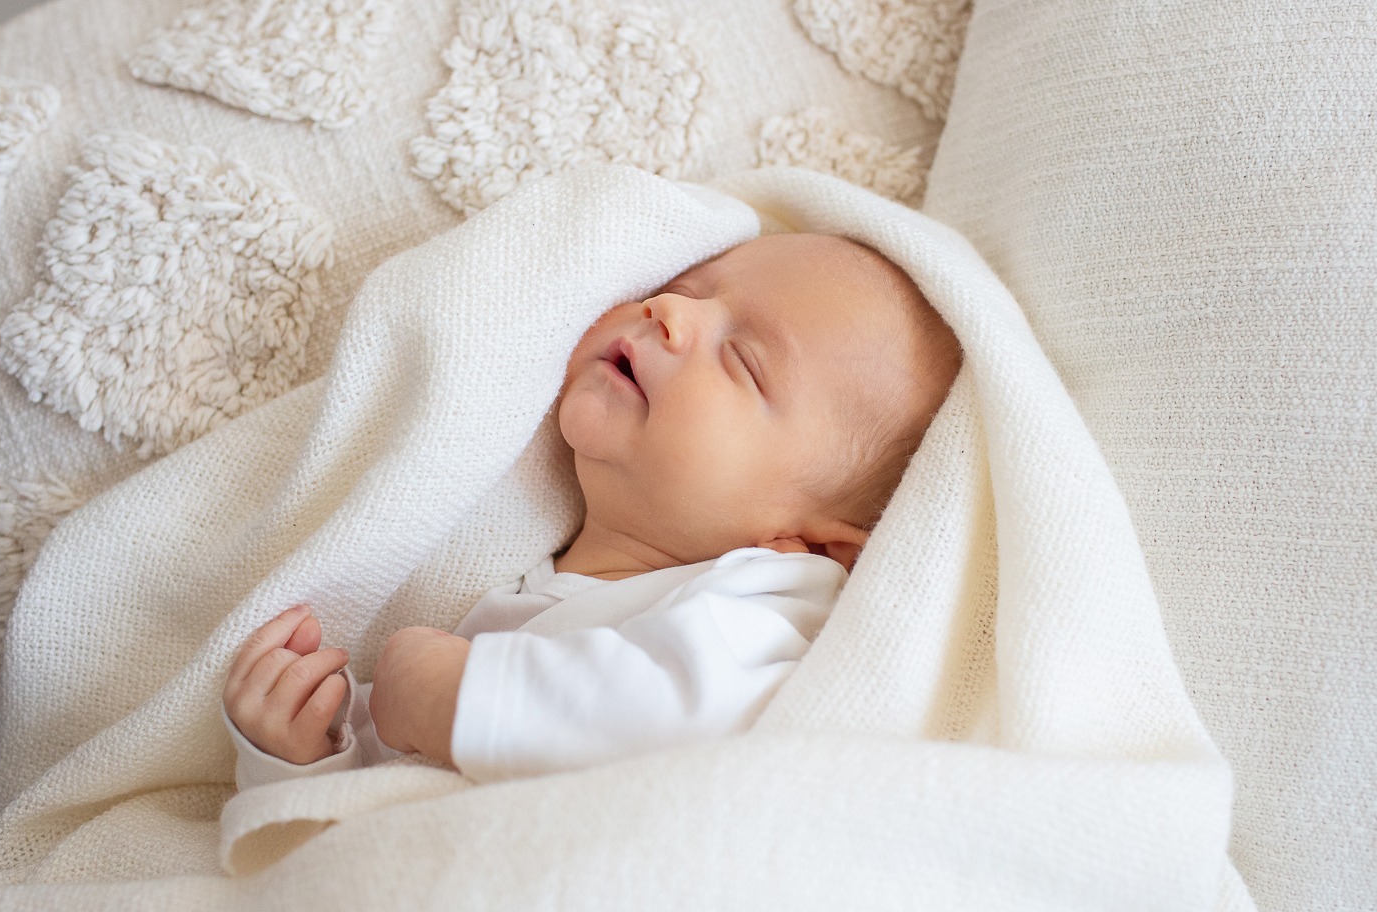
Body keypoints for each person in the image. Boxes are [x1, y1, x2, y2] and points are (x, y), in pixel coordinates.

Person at [222, 232, 962, 787]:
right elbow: (389, 819)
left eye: (742, 359)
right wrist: (306, 756)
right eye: (692, 287)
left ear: (808, 542)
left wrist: (453, 694)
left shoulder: (773, 606)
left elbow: (680, 722)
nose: (670, 311)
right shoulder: (526, 589)